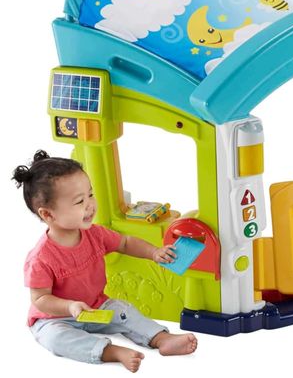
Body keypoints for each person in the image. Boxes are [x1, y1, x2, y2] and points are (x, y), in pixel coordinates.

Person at [14, 150, 198, 372]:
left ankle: (161, 339)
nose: (90, 204)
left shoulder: (95, 234)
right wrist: (69, 306)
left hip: (96, 307)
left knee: (124, 310)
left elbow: (125, 243)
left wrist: (154, 252)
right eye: (79, 201)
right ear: (48, 215)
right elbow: (40, 299)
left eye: (90, 194)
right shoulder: (40, 258)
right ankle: (112, 352)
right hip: (56, 319)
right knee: (55, 338)